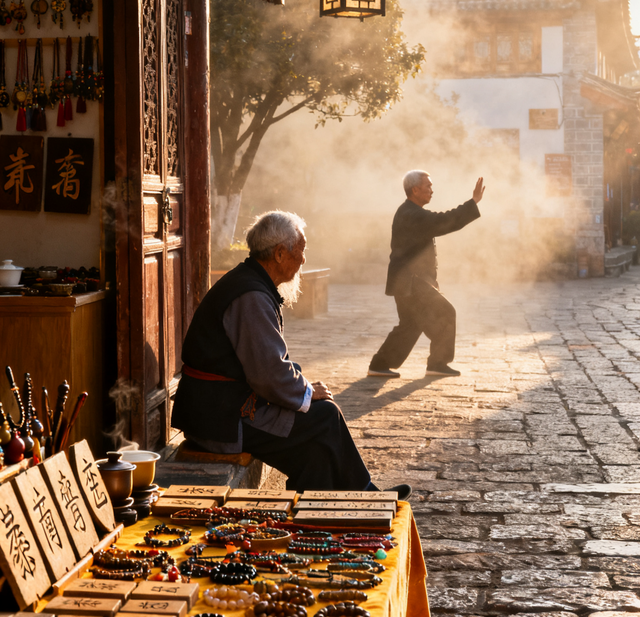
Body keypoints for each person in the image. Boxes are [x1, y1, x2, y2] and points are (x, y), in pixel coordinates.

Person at [172, 210, 410, 498]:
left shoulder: (251, 282)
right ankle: (366, 494)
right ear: (280, 254)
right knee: (325, 416)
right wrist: (307, 392)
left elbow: (268, 363)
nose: (304, 258)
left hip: (222, 407)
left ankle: (316, 518)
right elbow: (269, 374)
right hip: (221, 418)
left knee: (314, 451)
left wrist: (302, 389)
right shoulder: (252, 295)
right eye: (301, 250)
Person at [368, 171, 485, 379]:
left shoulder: (411, 212)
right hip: (411, 282)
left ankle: (380, 364)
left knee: (411, 325)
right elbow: (445, 221)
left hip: (408, 281)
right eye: (428, 186)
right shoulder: (412, 214)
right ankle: (438, 363)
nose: (432, 190)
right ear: (415, 190)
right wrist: (473, 202)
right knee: (446, 313)